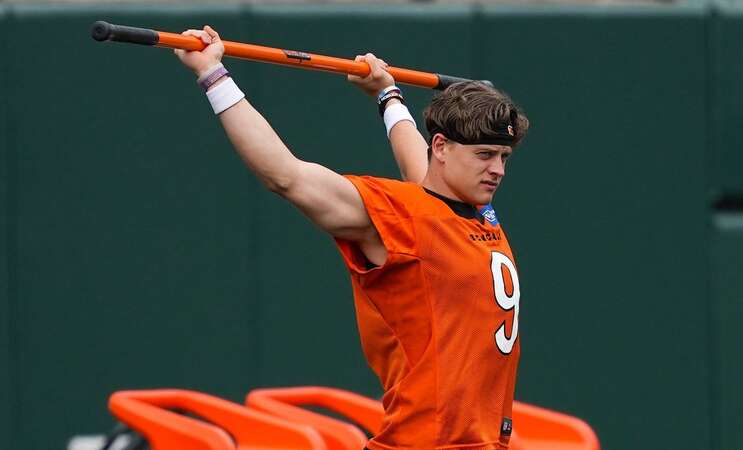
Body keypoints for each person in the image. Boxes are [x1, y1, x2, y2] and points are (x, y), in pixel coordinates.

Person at [175, 25, 530, 450]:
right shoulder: (399, 215)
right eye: (484, 155)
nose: (498, 170)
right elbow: (287, 176)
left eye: (504, 157)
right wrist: (213, 75)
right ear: (442, 146)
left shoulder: (471, 212)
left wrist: (388, 95)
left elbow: (421, 169)